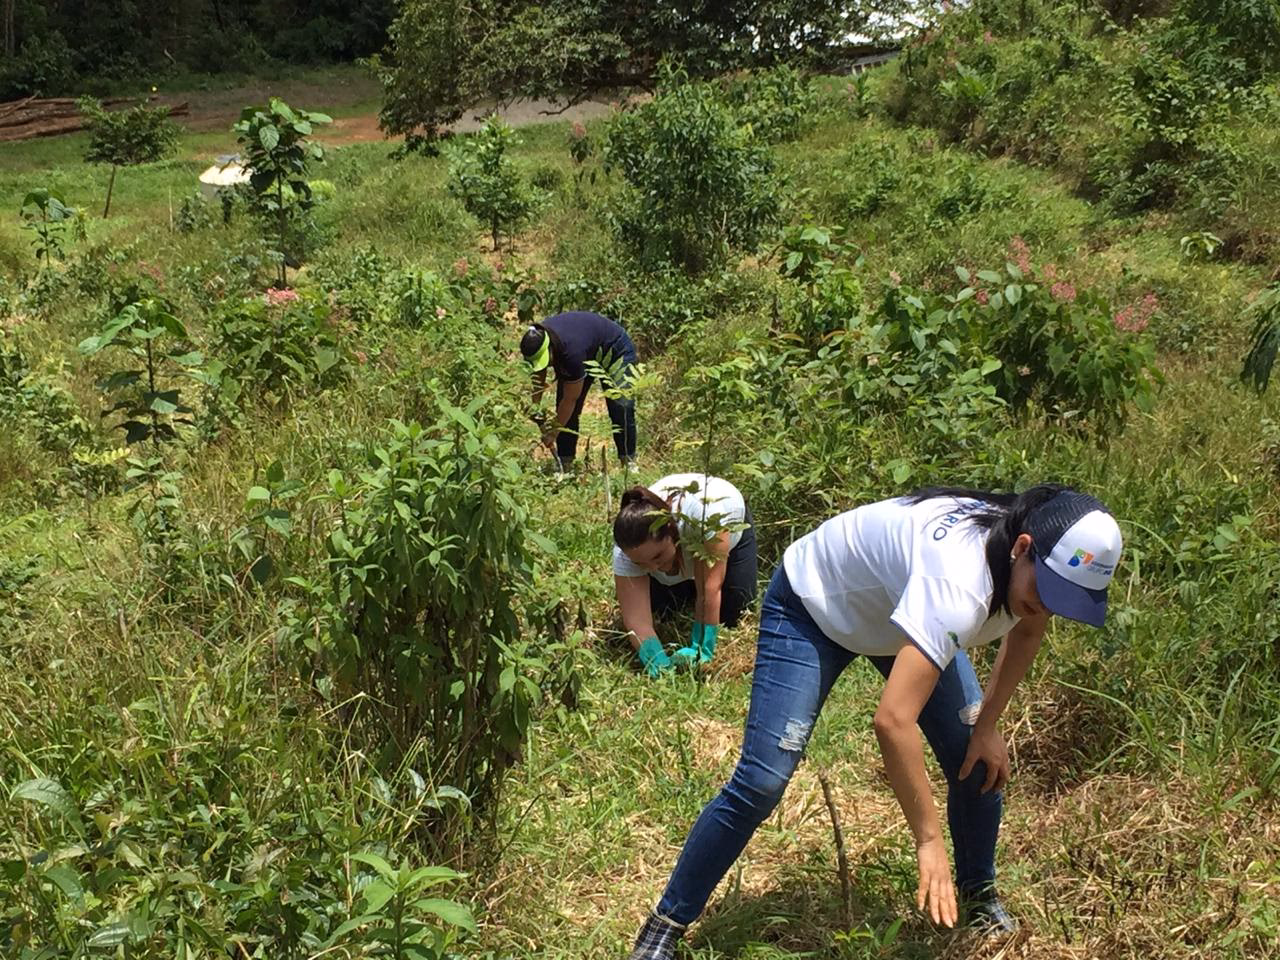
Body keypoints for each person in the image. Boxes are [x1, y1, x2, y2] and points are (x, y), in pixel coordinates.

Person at [627, 484, 1124, 958]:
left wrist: (988, 726)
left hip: (897, 616)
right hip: (813, 606)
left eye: (1066, 598)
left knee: (976, 760)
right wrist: (928, 841)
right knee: (761, 781)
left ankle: (978, 899)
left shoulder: (1028, 570)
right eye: (1047, 589)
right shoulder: (958, 586)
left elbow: (1029, 631)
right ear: (1023, 547)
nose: (1048, 605)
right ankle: (666, 922)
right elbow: (892, 721)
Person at [612, 474, 758, 678]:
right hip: (681, 548)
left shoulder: (705, 517)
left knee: (735, 609)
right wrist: (656, 660)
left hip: (723, 525)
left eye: (658, 556)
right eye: (641, 564)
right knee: (664, 610)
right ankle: (685, 584)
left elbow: (710, 588)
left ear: (672, 532)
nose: (653, 567)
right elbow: (636, 619)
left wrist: (702, 647)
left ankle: (690, 584)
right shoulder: (625, 551)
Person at [521, 311, 638, 470]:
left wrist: (552, 433)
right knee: (565, 412)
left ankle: (628, 461)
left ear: (551, 349)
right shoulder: (539, 339)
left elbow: (569, 400)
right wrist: (536, 408)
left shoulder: (571, 352)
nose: (546, 366)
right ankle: (565, 463)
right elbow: (538, 374)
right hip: (587, 349)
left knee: (621, 405)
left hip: (615, 349)